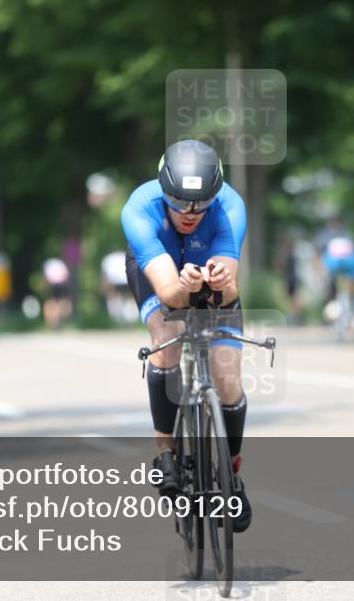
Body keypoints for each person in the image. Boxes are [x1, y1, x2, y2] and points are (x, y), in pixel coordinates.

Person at [120, 139, 252, 532]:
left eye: (200, 204)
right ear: (164, 191)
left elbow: (228, 293)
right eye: (178, 203)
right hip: (163, 272)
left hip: (208, 271)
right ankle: (165, 450)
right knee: (169, 334)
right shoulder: (139, 209)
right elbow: (170, 296)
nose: (189, 213)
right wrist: (185, 286)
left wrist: (220, 282)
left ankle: (231, 473)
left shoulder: (230, 207)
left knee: (227, 376)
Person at [317, 219, 354, 337]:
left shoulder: (325, 237)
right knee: (352, 293)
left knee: (331, 291)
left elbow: (319, 257)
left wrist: (322, 275)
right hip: (352, 264)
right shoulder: (349, 235)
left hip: (334, 265)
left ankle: (333, 310)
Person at [41, 257, 72, 328]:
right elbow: (67, 276)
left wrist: (44, 289)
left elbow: (46, 278)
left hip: (53, 283)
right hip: (62, 283)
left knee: (51, 302)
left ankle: (52, 320)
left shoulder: (47, 263)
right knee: (64, 301)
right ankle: (62, 317)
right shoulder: (61, 263)